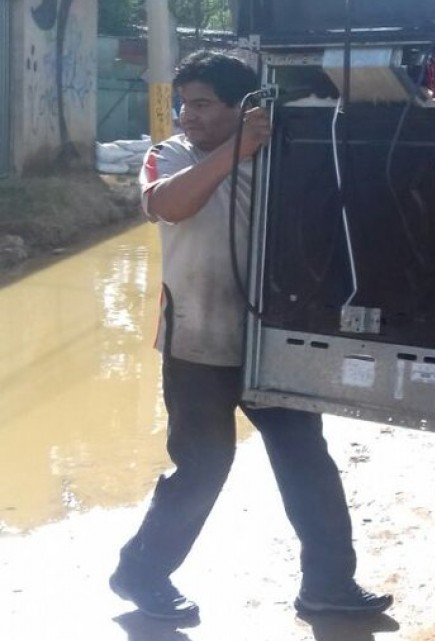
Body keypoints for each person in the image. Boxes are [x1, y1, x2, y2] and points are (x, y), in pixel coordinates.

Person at [109, 51, 392, 621]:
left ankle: (329, 584)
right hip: (198, 345)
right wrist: (235, 151)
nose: (188, 115)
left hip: (276, 342)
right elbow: (167, 205)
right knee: (203, 468)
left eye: (203, 104)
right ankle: (140, 574)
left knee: (306, 461)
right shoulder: (170, 155)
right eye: (185, 104)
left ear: (243, 108)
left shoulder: (283, 152)